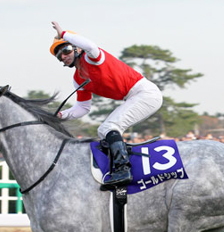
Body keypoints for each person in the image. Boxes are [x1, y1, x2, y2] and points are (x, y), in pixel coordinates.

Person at [49, 21, 163, 187]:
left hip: (145, 93)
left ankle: (123, 169)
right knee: (104, 131)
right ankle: (120, 165)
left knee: (108, 128)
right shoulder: (77, 79)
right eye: (59, 56)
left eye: (65, 50)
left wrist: (63, 33)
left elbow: (91, 45)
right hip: (134, 96)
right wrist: (60, 115)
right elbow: (83, 108)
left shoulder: (92, 57)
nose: (63, 57)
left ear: (77, 48)